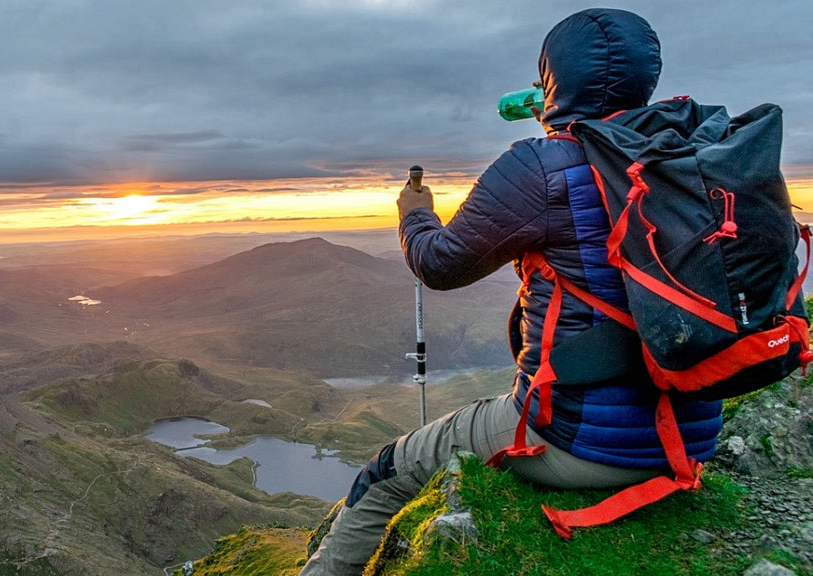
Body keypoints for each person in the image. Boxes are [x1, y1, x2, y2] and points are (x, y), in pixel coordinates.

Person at [300, 8, 724, 575]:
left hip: (578, 440)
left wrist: (415, 214)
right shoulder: (695, 157)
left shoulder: (540, 166)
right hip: (693, 433)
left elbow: (439, 264)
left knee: (385, 471)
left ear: (554, 78)